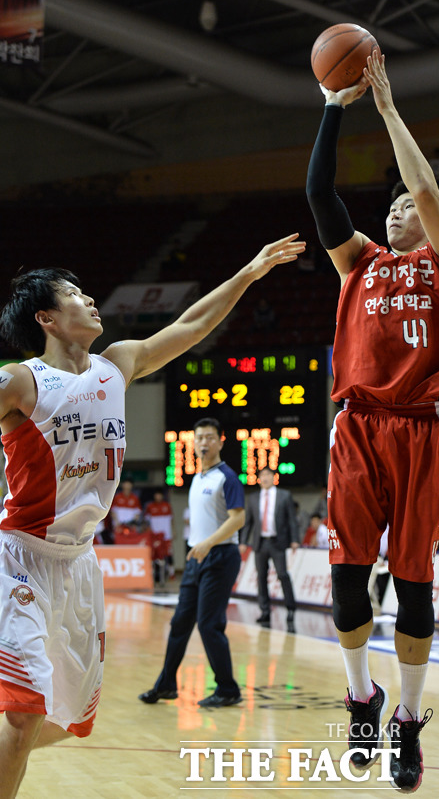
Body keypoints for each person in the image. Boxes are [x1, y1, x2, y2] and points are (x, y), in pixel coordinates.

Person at [0, 232, 305, 799]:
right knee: (21, 713)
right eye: (73, 294)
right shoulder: (21, 381)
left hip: (79, 564)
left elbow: (190, 327)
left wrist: (249, 272)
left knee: (68, 723)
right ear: (46, 317)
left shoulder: (117, 364)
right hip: (21, 557)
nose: (89, 300)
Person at [306, 49, 439, 792]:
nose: (399, 209)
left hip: (421, 426)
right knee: (348, 588)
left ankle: (407, 720)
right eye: (391, 208)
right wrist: (331, 108)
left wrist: (387, 109)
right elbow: (319, 193)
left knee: (412, 587)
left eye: (405, 206)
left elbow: (428, 192)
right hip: (359, 426)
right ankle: (360, 696)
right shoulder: (358, 263)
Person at [139, 417, 247, 707]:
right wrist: (199, 546)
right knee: (180, 622)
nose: (203, 442)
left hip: (221, 557)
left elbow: (239, 518)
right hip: (196, 558)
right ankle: (166, 685)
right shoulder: (197, 479)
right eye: (199, 437)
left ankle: (227, 689)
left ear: (221, 441)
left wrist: (208, 543)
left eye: (210, 437)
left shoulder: (228, 477)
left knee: (209, 624)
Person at [240, 466, 299, 632]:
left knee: (282, 575)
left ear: (274, 477)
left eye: (267, 475)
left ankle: (290, 608)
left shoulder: (284, 496)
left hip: (277, 542)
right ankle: (265, 611)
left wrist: (295, 539)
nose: (264, 478)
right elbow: (248, 523)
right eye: (262, 475)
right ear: (259, 479)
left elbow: (291, 520)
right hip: (260, 543)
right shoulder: (253, 498)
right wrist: (243, 541)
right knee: (261, 578)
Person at [144, 488, 174, 579]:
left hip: (167, 535)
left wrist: (173, 531)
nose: (158, 497)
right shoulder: (150, 507)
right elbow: (147, 522)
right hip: (155, 536)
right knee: (155, 555)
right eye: (156, 495)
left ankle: (171, 574)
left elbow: (172, 519)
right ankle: (154, 575)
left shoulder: (167, 506)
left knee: (169, 554)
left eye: (159, 495)